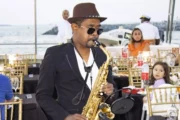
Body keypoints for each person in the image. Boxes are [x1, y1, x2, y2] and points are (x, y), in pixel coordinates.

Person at [36, 3, 116, 120]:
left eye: (99, 30)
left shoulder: (102, 55)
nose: (95, 34)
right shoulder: (55, 54)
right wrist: (65, 117)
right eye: (91, 29)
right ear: (74, 27)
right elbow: (42, 96)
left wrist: (111, 91)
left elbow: (113, 89)